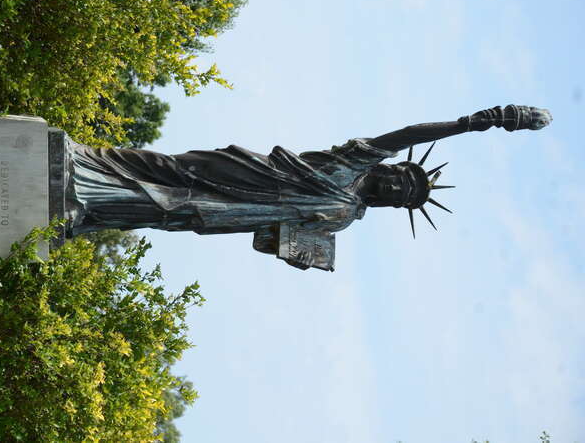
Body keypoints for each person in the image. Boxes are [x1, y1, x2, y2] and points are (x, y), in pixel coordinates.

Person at [67, 104, 552, 271]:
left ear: (392, 204)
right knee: (166, 165)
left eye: (399, 193)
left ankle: (88, 209)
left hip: (224, 213)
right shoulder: (351, 164)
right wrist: (476, 123)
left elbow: (272, 241)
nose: (392, 184)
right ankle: (85, 160)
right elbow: (405, 136)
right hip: (246, 173)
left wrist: (302, 254)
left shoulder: (345, 214)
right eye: (400, 176)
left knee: (159, 211)